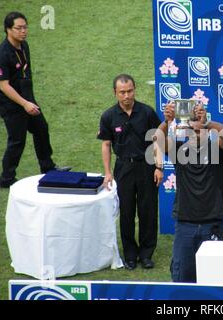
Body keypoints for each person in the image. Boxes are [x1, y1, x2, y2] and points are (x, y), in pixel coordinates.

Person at [154, 102, 223, 283]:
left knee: (218, 279)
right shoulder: (179, 150)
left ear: (207, 132)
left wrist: (208, 123)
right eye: (193, 131)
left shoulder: (218, 153)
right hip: (185, 226)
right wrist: (167, 121)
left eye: (200, 131)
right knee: (182, 279)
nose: (196, 135)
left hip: (212, 224)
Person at [97, 74, 163, 270]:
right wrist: (108, 173)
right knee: (126, 212)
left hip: (147, 166)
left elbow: (157, 140)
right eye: (122, 92)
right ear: (115, 93)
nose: (127, 96)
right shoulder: (108, 116)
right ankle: (130, 255)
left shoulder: (147, 112)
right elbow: (106, 145)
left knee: (148, 211)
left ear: (134, 90)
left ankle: (146, 253)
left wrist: (159, 167)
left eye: (130, 91)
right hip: (123, 168)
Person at [0, 12, 70, 188]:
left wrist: (30, 100)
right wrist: (24, 103)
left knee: (41, 129)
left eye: (25, 27)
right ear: (8, 29)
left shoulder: (24, 46)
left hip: (28, 98)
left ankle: (47, 167)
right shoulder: (2, 53)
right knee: (17, 140)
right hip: (12, 104)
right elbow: (3, 85)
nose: (24, 31)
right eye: (19, 28)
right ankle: (7, 178)